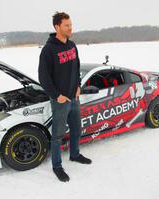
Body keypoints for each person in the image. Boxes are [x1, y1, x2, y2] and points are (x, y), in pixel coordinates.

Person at [38, 12, 92, 182]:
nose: (70, 28)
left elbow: (76, 68)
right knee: (58, 135)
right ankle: (57, 166)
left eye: (71, 25)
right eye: (67, 25)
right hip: (60, 101)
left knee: (77, 129)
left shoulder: (72, 45)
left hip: (74, 97)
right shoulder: (48, 50)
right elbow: (43, 77)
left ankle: (75, 155)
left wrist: (78, 86)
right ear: (57, 27)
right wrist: (56, 95)